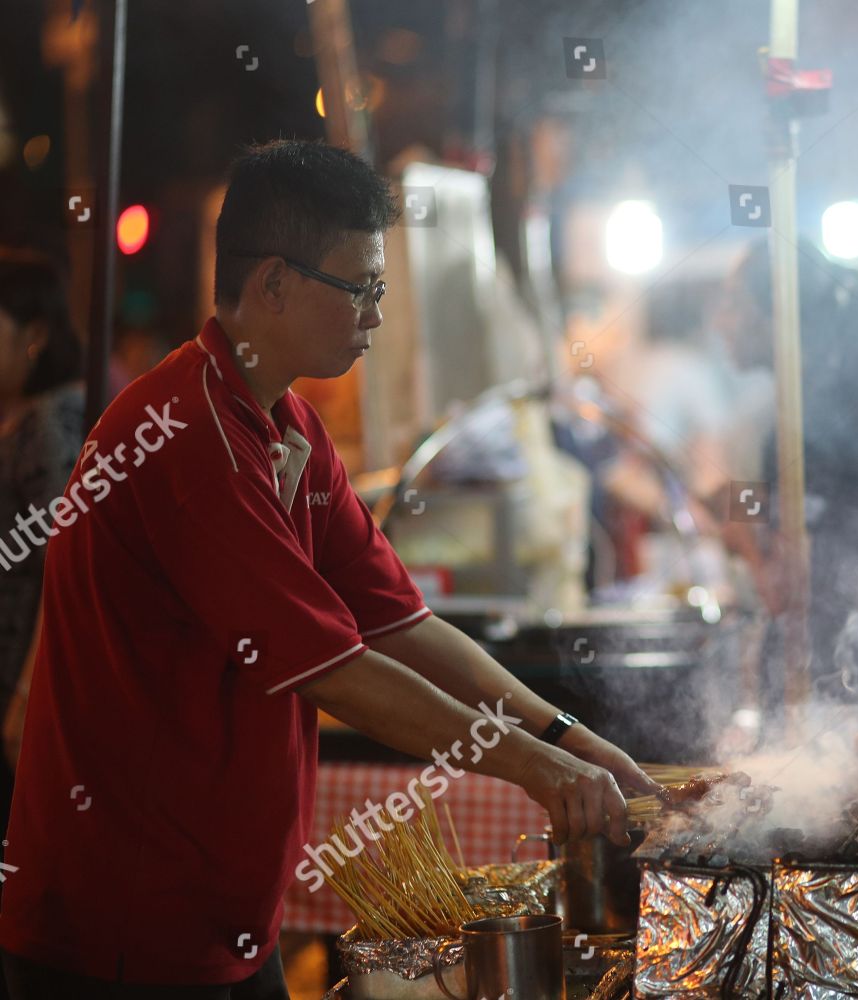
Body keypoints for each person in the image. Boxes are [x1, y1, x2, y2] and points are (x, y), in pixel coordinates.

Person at [0, 140, 655, 998]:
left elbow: (402, 625)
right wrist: (539, 773)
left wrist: (567, 736)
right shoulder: (187, 437)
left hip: (223, 913)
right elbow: (338, 672)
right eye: (363, 289)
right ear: (274, 283)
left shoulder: (286, 422)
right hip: (123, 925)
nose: (376, 315)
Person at [713, 237, 858, 702]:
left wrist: (740, 526)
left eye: (734, 303)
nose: (721, 322)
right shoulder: (803, 412)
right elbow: (759, 506)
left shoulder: (812, 424)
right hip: (835, 659)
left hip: (836, 672)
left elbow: (786, 585)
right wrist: (732, 503)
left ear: (777, 312)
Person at [0, 249, 85, 858]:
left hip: (18, 687)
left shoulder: (49, 427)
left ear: (35, 334)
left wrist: (30, 693)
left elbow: (65, 557)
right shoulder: (16, 419)